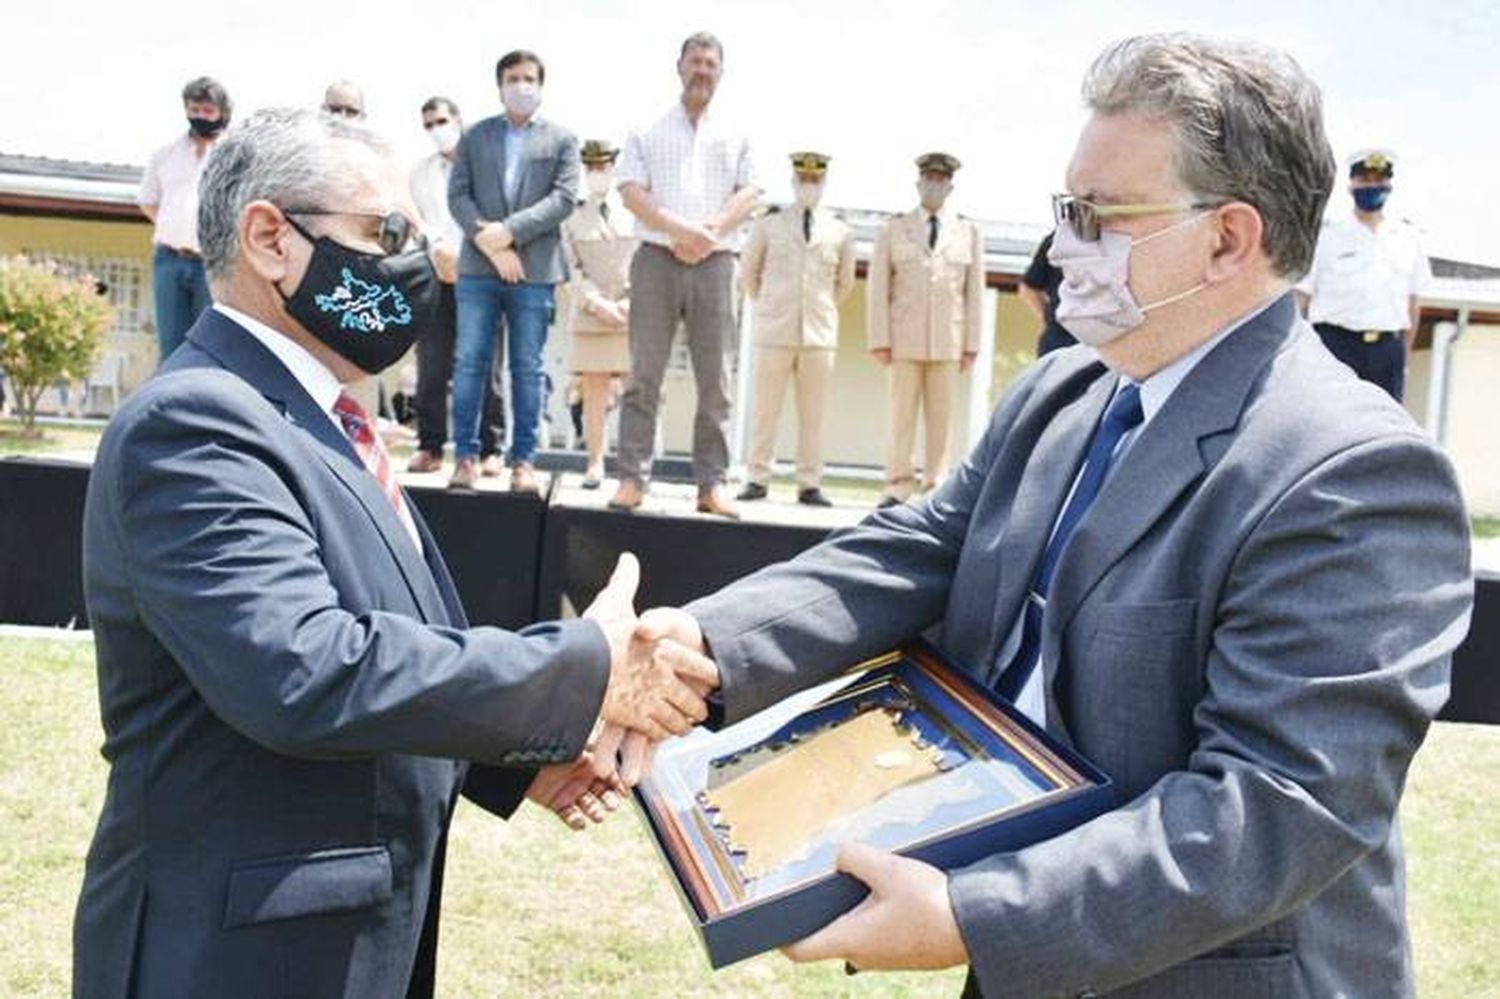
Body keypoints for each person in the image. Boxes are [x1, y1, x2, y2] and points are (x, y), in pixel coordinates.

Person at [644, 34, 1473, 999]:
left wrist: (976, 914)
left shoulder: (1351, 473)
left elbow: (1278, 805)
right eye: (1064, 211)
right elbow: (928, 546)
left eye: (1101, 215)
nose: (1064, 247)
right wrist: (707, 641)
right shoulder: (1068, 390)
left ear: (1227, 239)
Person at [72, 108, 717, 999]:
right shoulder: (197, 424)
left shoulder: (317, 419)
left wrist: (519, 756)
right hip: (232, 958)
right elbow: (307, 670)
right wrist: (585, 671)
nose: (413, 263)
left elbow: (399, 642)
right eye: (384, 233)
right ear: (270, 238)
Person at [610, 31, 761, 518]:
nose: (702, 70)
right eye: (694, 61)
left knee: (715, 379)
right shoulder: (646, 127)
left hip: (717, 264)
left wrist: (710, 231)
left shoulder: (739, 131)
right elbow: (631, 190)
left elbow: (751, 192)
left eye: (710, 63)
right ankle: (632, 478)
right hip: (656, 258)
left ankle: (710, 485)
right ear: (679, 66)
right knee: (643, 375)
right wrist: (680, 230)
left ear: (721, 71)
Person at [448, 49, 579, 493]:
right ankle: (464, 456)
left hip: (535, 269)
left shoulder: (561, 140)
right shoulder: (475, 136)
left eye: (529, 78)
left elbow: (562, 199)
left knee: (527, 367)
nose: (521, 85)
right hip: (478, 268)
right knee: (469, 363)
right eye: (513, 78)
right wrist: (489, 239)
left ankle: (523, 461)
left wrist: (508, 232)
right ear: (500, 85)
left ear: (540, 85)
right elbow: (459, 195)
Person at [737, 151, 855, 507]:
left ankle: (809, 483)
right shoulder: (769, 224)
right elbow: (749, 274)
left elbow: (844, 284)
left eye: (815, 181)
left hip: (818, 334)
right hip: (775, 330)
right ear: (793, 181)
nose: (809, 186)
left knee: (814, 414)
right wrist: (771, 306)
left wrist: (819, 311)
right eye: (803, 179)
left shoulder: (840, 230)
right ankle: (757, 477)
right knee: (765, 410)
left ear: (824, 184)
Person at [868, 152, 983, 507]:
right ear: (918, 183)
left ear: (950, 185)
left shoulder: (968, 231)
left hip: (948, 340)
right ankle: (897, 485)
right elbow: (878, 288)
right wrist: (880, 338)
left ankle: (935, 486)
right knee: (901, 414)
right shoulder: (894, 228)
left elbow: (974, 292)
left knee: (942, 417)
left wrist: (972, 344)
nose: (934, 184)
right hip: (903, 339)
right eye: (928, 178)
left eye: (941, 179)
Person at [406, 95, 508, 475]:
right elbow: (415, 222)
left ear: (459, 120)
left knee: (485, 365)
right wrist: (439, 252)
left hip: (480, 274)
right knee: (431, 363)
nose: (437, 129)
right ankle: (430, 446)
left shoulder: (487, 165)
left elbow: (497, 217)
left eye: (442, 120)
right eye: (429, 124)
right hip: (435, 274)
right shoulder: (418, 173)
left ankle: (490, 449)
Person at [1296, 149, 1431, 401]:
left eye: (1379, 180)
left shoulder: (1409, 238)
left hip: (1387, 351)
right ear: (1351, 184)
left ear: (1389, 184)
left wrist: (1404, 356)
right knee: (1328, 424)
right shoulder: (1327, 236)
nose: (1372, 186)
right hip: (1334, 346)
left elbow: (1413, 304)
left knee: (1385, 430)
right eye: (1365, 179)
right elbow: (1300, 299)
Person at [139, 76, 231, 363]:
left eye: (208, 111)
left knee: (210, 342)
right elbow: (148, 202)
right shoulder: (165, 154)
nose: (200, 116)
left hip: (212, 261)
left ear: (221, 113)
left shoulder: (233, 156)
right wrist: (175, 228)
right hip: (170, 259)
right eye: (195, 110)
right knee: (171, 345)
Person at [562, 139, 636, 488]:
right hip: (592, 316)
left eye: (603, 167)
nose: (597, 174)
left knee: (638, 392)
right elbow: (570, 268)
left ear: (614, 168)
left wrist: (630, 301)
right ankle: (595, 462)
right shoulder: (573, 216)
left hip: (631, 314)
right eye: (591, 168)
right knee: (594, 392)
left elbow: (646, 260)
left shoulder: (634, 210)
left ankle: (633, 467)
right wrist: (596, 302)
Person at [1017, 231, 1076, 355]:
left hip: (1103, 339)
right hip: (1060, 337)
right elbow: (1029, 288)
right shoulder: (1058, 238)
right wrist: (1049, 317)